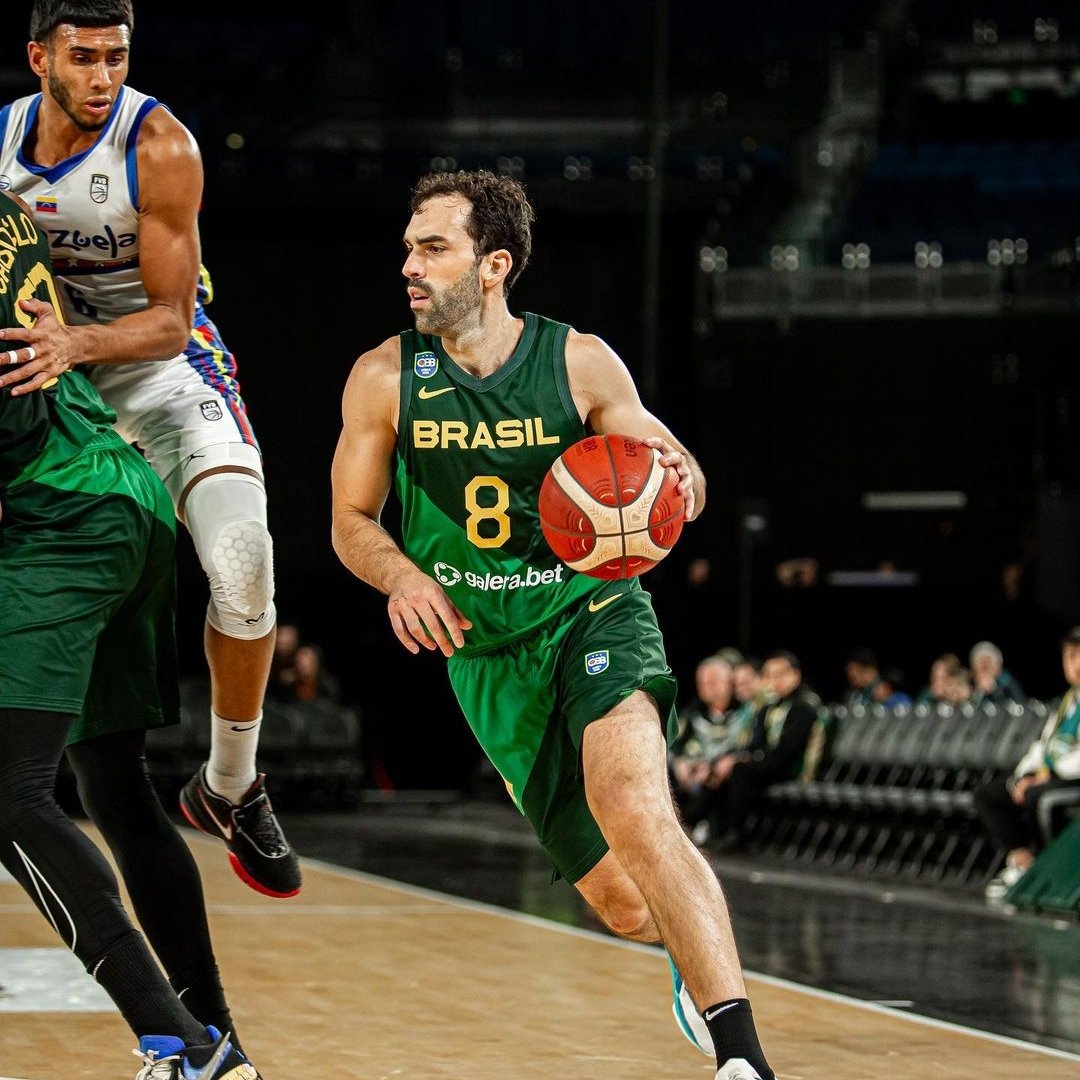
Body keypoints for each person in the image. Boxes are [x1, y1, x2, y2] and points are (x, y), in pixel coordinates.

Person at [330, 169, 776, 1080]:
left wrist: (683, 477)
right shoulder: (385, 377)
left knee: (635, 804)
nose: (408, 264)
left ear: (493, 265)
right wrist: (403, 576)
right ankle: (693, 957)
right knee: (618, 903)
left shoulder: (578, 362)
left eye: (432, 247)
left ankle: (742, 1055)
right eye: (409, 246)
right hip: (488, 653)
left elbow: (662, 455)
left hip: (591, 611)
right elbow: (348, 521)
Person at [0, 0, 299, 898]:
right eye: (83, 58)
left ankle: (232, 785)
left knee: (245, 566)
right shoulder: (3, 144)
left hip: (155, 369)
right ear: (38, 57)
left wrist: (72, 343)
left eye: (116, 58)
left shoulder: (160, 146)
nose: (102, 78)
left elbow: (170, 321)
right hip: (51, 381)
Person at [0, 187, 259, 1079]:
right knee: (112, 786)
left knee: (10, 791)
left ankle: (184, 1046)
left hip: (62, 515)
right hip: (126, 493)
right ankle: (219, 1038)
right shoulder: (5, 205)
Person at [976, 625, 1080, 902]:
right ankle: (1025, 863)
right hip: (1051, 776)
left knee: (1040, 797)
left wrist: (1048, 775)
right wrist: (1025, 775)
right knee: (991, 794)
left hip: (1072, 778)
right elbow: (1044, 745)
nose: (1077, 663)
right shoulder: (1069, 702)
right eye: (1071, 656)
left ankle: (1054, 871)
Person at [695, 651, 822, 853]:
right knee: (722, 767)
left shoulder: (805, 707)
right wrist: (730, 757)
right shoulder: (770, 707)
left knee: (740, 771)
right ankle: (691, 823)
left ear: (796, 675)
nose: (775, 681)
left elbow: (787, 752)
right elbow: (755, 743)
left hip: (790, 767)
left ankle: (735, 833)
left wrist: (747, 759)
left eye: (781, 674)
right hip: (769, 762)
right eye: (770, 675)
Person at [968, 640, 1026, 708]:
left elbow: (1019, 704)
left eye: (989, 665)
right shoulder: (968, 684)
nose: (986, 671)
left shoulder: (1008, 684)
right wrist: (978, 692)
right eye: (982, 666)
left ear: (998, 668)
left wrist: (995, 691)